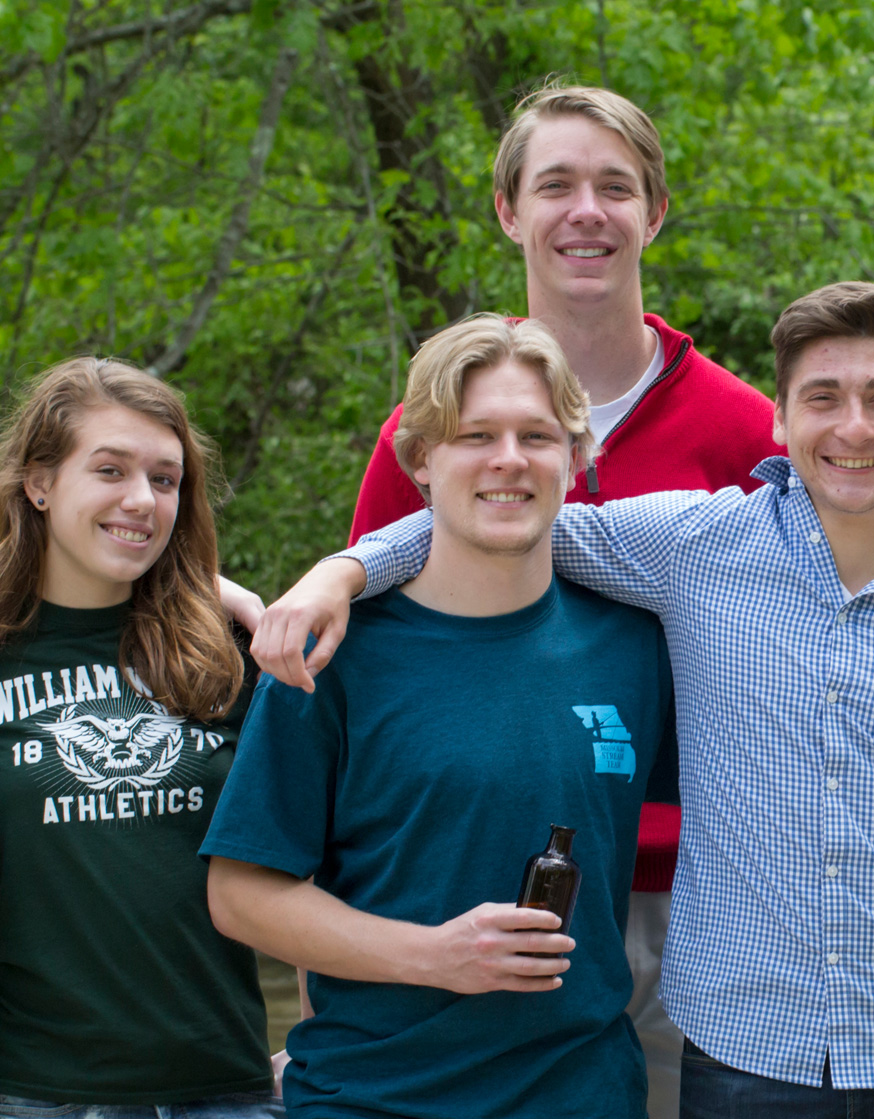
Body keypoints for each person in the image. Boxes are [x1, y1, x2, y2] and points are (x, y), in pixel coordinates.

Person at [258, 282, 874, 1119]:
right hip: (749, 1054)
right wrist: (343, 571)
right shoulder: (693, 548)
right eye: (822, 398)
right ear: (780, 421)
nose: (854, 427)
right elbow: (497, 510)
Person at [335, 84, 781, 1119]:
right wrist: (337, 570)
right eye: (556, 186)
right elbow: (372, 650)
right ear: (507, 211)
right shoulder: (438, 422)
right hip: (462, 888)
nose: (587, 212)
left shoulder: (743, 430)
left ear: (653, 213)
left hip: (693, 895)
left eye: (615, 188)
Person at [202, 316, 677, 1118]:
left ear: (577, 457)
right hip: (374, 1096)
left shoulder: (636, 646)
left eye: (537, 435)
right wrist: (434, 955)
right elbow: (241, 893)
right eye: (474, 435)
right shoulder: (333, 653)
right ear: (421, 459)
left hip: (583, 1093)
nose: (508, 460)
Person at [0, 358, 275, 1117]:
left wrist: (327, 1037)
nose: (140, 500)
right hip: (34, 1094)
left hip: (222, 1091)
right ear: (40, 481)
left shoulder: (228, 650)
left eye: (164, 478)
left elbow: (323, 860)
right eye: (111, 469)